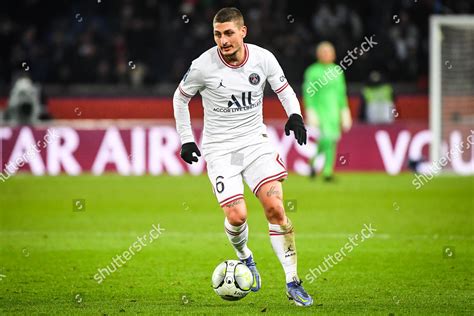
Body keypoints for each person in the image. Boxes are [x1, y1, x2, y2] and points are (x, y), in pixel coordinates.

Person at [173, 7, 313, 307]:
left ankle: (292, 281)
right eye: (217, 34)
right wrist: (186, 139)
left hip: (255, 144)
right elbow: (180, 97)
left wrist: (295, 116)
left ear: (243, 32)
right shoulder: (203, 66)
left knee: (275, 207)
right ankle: (245, 256)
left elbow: (284, 89)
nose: (222, 40)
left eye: (228, 33)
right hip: (220, 150)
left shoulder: (263, 58)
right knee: (237, 216)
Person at [303, 41, 352, 181]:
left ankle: (327, 171)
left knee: (332, 140)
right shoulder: (312, 71)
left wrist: (345, 111)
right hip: (320, 111)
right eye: (323, 52)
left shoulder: (337, 71)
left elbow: (342, 93)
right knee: (327, 138)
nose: (326, 55)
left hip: (334, 112)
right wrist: (310, 110)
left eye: (328, 52)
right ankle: (318, 165)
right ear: (318, 54)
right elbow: (308, 93)